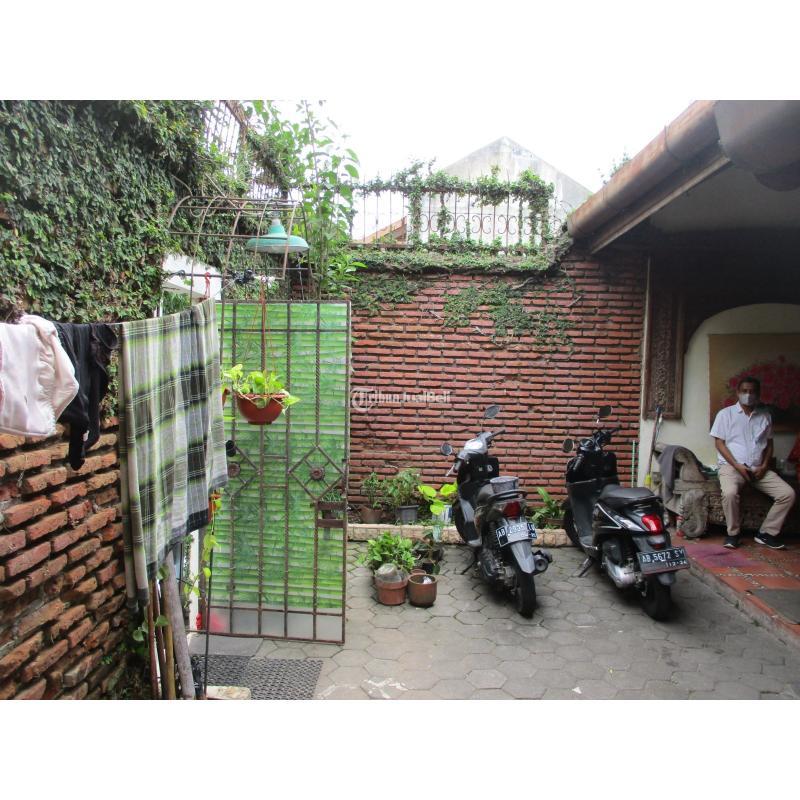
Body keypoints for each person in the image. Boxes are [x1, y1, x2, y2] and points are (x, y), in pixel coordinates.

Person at [710, 376, 796, 549]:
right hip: (732, 467)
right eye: (744, 391)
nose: (748, 395)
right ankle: (733, 534)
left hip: (758, 469)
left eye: (752, 392)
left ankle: (766, 533)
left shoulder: (765, 416)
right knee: (729, 493)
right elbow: (719, 443)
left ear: (758, 394)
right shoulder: (725, 414)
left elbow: (769, 445)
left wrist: (764, 466)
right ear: (738, 392)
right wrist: (737, 465)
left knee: (788, 494)